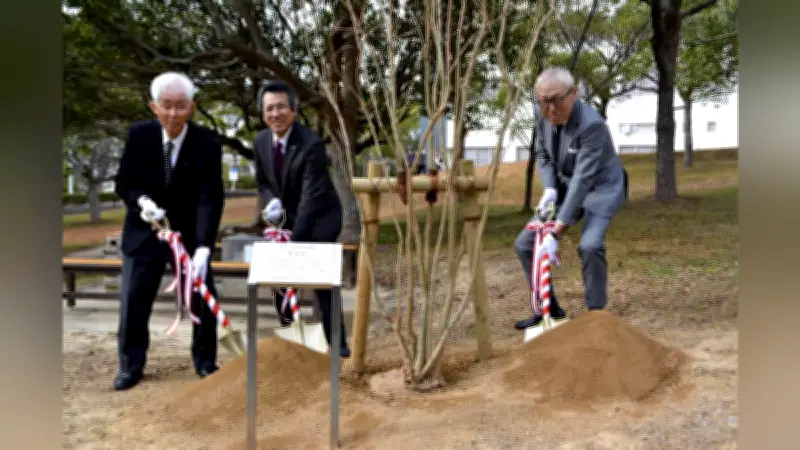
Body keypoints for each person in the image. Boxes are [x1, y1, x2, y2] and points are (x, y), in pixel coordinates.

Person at [112, 72, 225, 390]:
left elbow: (210, 198)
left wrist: (204, 246)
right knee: (134, 300)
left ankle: (205, 361)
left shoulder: (206, 142)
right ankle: (131, 365)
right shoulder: (139, 135)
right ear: (154, 106)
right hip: (144, 231)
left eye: (180, 105)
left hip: (188, 234)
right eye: (166, 105)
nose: (173, 113)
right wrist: (142, 202)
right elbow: (124, 183)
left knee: (203, 296)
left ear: (192, 107)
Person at [513, 67, 628, 330]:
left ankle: (596, 315)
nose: (550, 109)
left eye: (557, 100)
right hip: (564, 186)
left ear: (574, 93)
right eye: (544, 101)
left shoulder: (592, 125)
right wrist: (550, 189)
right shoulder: (540, 114)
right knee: (525, 244)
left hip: (600, 188)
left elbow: (583, 179)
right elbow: (543, 154)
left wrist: (556, 232)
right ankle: (548, 308)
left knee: (590, 245)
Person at [252, 79, 351, 358]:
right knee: (280, 281)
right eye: (269, 109)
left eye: (281, 107)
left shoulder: (311, 144)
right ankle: (290, 337)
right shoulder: (260, 141)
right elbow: (263, 182)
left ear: (294, 110)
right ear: (263, 114)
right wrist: (271, 200)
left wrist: (294, 246)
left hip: (319, 219)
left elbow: (311, 197)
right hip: (284, 218)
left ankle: (338, 344)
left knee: (322, 282)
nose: (275, 113)